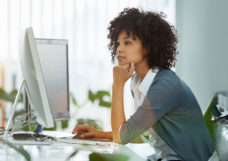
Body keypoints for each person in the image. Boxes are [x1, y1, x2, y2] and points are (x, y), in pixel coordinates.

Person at [72, 8, 216, 161]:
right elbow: (140, 131)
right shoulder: (138, 82)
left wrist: (117, 85)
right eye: (118, 43)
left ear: (147, 47)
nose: (119, 49)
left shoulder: (165, 86)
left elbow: (122, 138)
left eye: (127, 42)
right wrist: (99, 134)